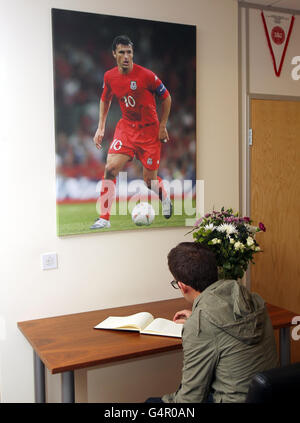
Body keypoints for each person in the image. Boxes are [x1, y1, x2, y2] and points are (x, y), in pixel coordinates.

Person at [147, 242, 278, 403]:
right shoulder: (250, 298)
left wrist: (198, 321)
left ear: (182, 286)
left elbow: (190, 400)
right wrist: (197, 316)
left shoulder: (200, 325)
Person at [91, 35, 172, 229]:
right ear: (114, 54)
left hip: (149, 132)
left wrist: (162, 126)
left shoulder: (146, 75)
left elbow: (167, 98)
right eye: (122, 52)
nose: (126, 56)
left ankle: (164, 198)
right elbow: (105, 99)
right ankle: (104, 218)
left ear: (133, 53)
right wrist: (101, 127)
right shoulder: (109, 76)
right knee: (110, 169)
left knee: (149, 181)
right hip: (126, 128)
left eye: (129, 52)